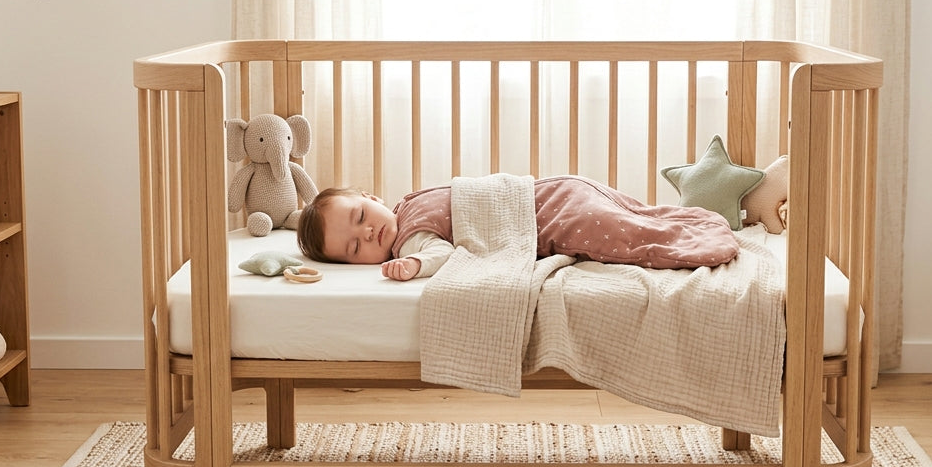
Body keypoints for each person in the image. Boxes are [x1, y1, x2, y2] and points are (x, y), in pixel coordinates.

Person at [296, 175, 738, 280]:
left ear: (372, 199)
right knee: (624, 225)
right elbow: (439, 252)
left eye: (360, 219)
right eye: (354, 249)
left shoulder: (410, 212)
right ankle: (689, 226)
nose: (368, 235)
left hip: (541, 207)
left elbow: (441, 249)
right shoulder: (411, 233)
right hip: (555, 193)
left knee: (623, 235)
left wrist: (414, 263)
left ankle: (688, 238)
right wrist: (413, 263)